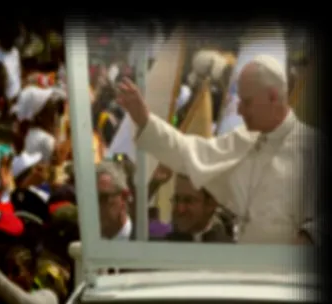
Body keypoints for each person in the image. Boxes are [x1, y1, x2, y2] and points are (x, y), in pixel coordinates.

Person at [117, 55, 317, 244]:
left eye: (246, 102)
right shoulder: (242, 140)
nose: (239, 111)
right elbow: (188, 151)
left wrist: (310, 237)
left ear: (273, 98)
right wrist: (144, 119)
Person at [167, 174, 235, 242]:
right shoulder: (162, 245)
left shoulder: (227, 248)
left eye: (189, 200)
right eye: (176, 199)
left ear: (211, 204)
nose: (180, 209)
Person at [96, 160, 134, 240]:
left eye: (102, 198)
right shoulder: (83, 242)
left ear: (124, 197)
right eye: (91, 199)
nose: (96, 206)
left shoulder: (146, 241)